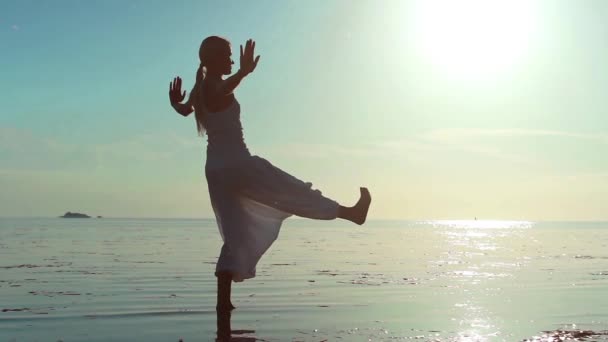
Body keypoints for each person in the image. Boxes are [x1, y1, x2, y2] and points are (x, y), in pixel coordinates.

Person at [168, 36, 371, 317]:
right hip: (237, 164)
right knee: (292, 192)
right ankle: (350, 213)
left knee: (234, 234)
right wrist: (243, 72)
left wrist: (175, 103)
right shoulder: (212, 86)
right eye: (227, 55)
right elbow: (221, 90)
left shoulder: (199, 88)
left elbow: (185, 110)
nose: (231, 59)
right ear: (213, 59)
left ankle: (222, 304)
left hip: (215, 170)